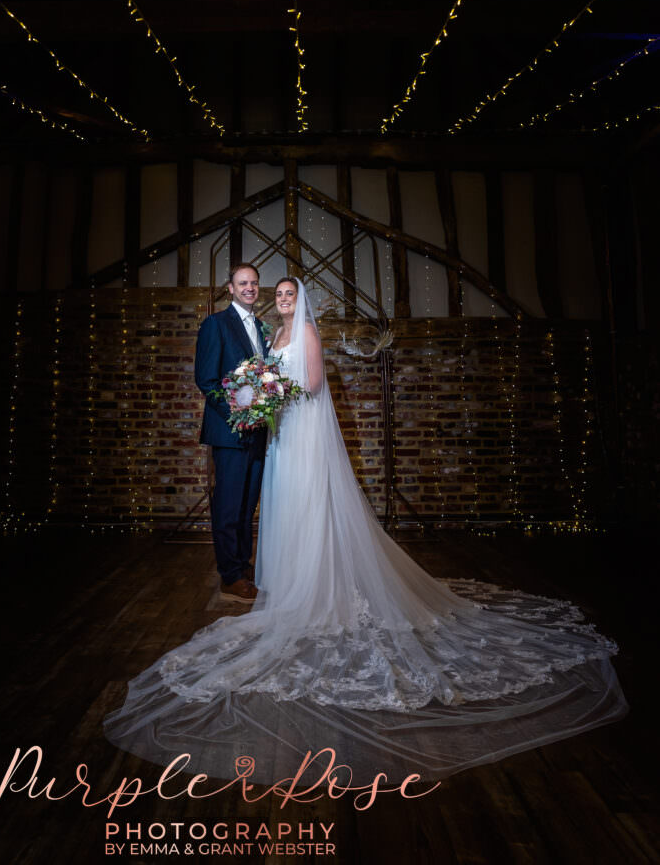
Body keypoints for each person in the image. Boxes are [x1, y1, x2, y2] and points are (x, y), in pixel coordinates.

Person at [105, 277, 628, 787]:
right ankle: (281, 581)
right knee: (275, 506)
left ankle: (315, 582)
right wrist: (259, 397)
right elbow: (234, 378)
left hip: (299, 430)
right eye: (277, 295)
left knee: (305, 504)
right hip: (278, 434)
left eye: (287, 294)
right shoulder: (270, 334)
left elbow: (309, 385)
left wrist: (270, 391)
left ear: (296, 300)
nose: (281, 301)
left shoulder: (302, 333)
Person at [193, 262, 268, 603]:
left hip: (258, 433)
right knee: (227, 505)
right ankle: (229, 575)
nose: (249, 287)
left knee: (247, 503)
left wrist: (261, 412)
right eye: (243, 283)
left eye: (253, 282)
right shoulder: (216, 324)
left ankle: (242, 563)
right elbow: (206, 380)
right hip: (230, 431)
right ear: (231, 288)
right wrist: (239, 414)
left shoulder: (262, 328)